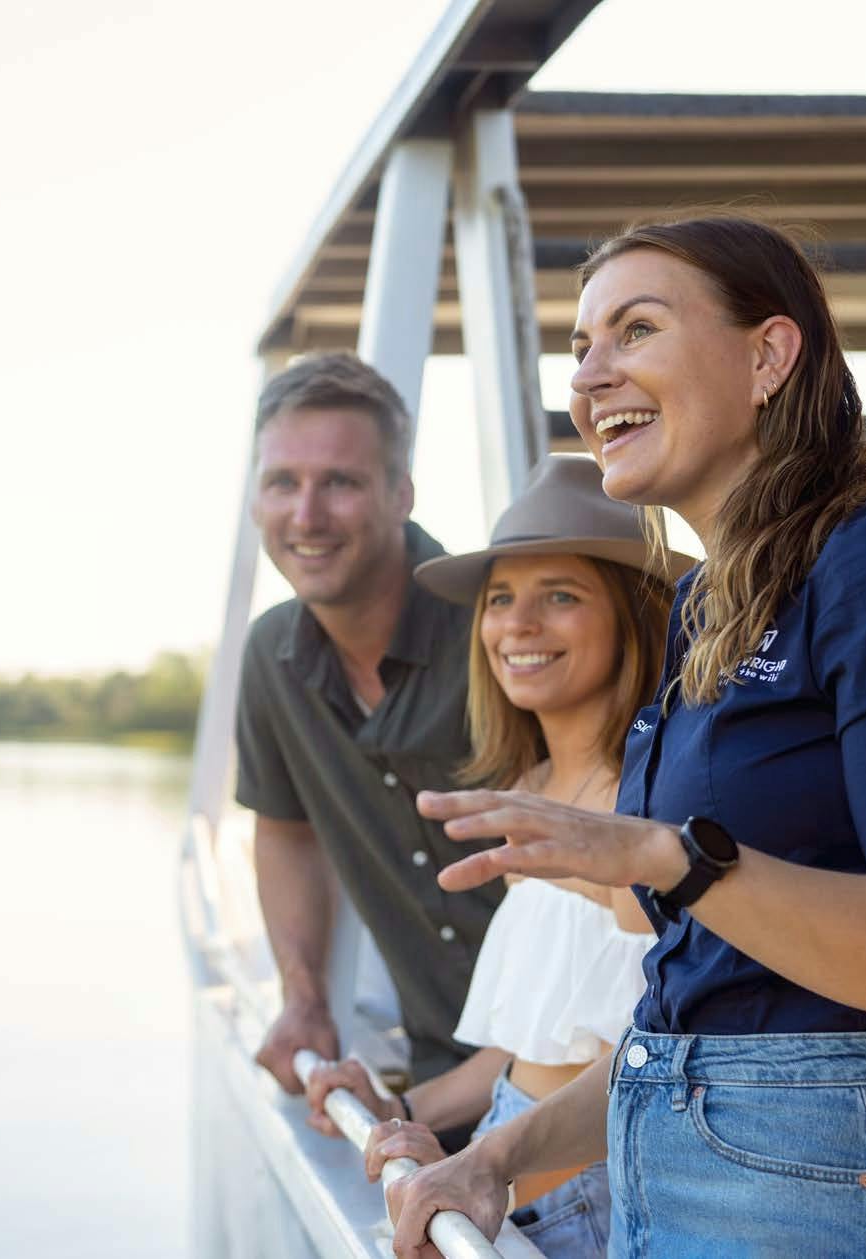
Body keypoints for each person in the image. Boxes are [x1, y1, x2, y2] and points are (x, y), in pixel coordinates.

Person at [378, 216, 866, 1259]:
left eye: (633, 330)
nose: (589, 378)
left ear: (769, 355)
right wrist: (495, 1157)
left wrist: (662, 857)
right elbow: (694, 1019)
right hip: (660, 1172)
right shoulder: (702, 611)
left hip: (820, 1181)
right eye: (579, 349)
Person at [304, 454, 685, 1258]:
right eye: (501, 598)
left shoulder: (651, 801)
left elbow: (651, 1055)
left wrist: (489, 1165)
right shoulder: (529, 788)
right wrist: (397, 1103)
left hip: (590, 1200)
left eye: (560, 595)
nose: (518, 623)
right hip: (499, 1190)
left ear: (630, 614)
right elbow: (526, 1048)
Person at [237, 352, 504, 1103]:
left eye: (340, 482)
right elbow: (285, 829)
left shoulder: (500, 632)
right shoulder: (271, 657)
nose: (306, 515)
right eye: (282, 482)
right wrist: (303, 996)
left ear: (400, 495)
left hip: (576, 1072)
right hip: (438, 1068)